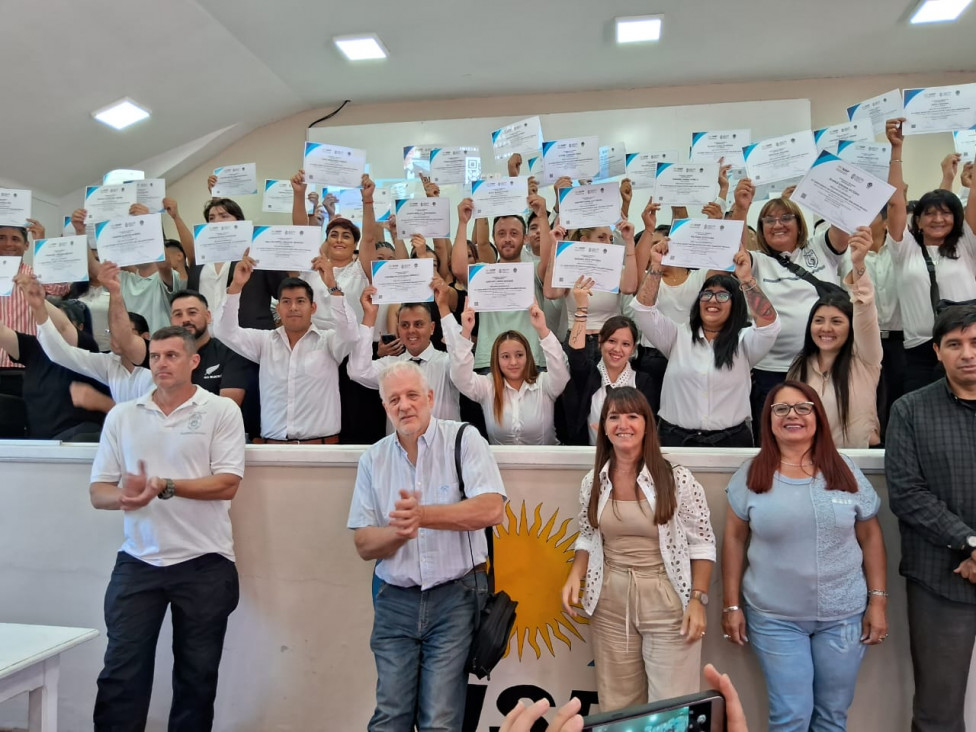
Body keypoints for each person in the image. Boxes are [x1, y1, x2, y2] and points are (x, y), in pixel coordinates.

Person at [88, 325, 245, 731]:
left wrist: (165, 486)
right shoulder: (124, 415)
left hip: (205, 563)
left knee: (196, 678)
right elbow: (98, 492)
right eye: (155, 356)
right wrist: (126, 496)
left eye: (171, 355)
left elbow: (228, 482)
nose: (161, 363)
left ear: (194, 361)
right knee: (121, 673)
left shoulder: (221, 411)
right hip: (138, 561)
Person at [347, 361, 506, 731]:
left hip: (455, 598)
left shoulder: (465, 439)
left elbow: (492, 509)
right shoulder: (373, 458)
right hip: (394, 601)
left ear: (431, 398)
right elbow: (363, 542)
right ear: (385, 407)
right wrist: (398, 532)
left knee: (440, 720)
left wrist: (422, 516)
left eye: (412, 395)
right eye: (394, 399)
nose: (404, 406)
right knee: (389, 717)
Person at [722, 381, 887, 731]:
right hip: (775, 619)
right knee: (791, 716)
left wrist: (878, 602)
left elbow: (870, 535)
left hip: (843, 617)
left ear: (817, 416)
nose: (791, 415)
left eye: (802, 407)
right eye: (780, 409)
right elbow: (734, 540)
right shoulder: (751, 474)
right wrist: (732, 605)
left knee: (831, 716)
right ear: (768, 420)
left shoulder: (845, 470)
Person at [561, 387, 716, 711]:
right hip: (609, 600)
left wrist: (698, 599)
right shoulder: (594, 480)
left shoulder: (677, 479)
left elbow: (702, 543)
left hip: (667, 600)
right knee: (618, 706)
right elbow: (589, 535)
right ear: (602, 426)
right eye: (614, 416)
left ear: (647, 424)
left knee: (670, 709)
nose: (623, 424)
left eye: (633, 416)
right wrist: (576, 573)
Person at [886, 305, 976, 731]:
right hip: (941, 578)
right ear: (937, 352)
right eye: (955, 344)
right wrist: (970, 543)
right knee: (937, 713)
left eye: (975, 343)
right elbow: (907, 494)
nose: (967, 353)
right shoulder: (910, 411)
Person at [631, 238, 779, 447]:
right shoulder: (677, 336)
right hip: (676, 440)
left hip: (731, 441)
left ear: (735, 303)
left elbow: (769, 325)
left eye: (722, 295)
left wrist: (746, 279)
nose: (712, 300)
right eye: (707, 294)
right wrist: (656, 266)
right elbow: (643, 310)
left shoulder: (744, 341)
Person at [728, 180, 851, 424]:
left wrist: (825, 185)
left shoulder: (819, 247)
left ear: (799, 222)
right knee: (775, 437)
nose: (778, 225)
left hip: (821, 366)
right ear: (761, 229)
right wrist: (741, 209)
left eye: (786, 217)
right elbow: (731, 249)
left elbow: (842, 225)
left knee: (819, 434)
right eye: (769, 220)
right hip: (771, 370)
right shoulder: (759, 261)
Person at [215, 250, 357, 443]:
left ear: (312, 307)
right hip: (274, 449)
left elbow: (349, 333)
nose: (293, 308)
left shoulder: (329, 341)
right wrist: (236, 285)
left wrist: (332, 286)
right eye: (286, 302)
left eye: (300, 301)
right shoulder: (264, 342)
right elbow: (224, 331)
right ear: (279, 308)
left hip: (321, 449)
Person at [884, 117, 976, 393]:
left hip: (968, 348)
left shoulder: (966, 243)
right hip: (921, 354)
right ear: (918, 220)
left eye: (946, 212)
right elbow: (894, 201)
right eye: (930, 213)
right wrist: (896, 150)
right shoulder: (905, 247)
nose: (938, 219)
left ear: (955, 218)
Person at [787, 227, 883, 448]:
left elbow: (865, 308)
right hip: (809, 461)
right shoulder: (800, 364)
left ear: (851, 327)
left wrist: (858, 264)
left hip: (856, 463)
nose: (826, 328)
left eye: (837, 321)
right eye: (819, 320)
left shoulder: (865, 358)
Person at [0, 274, 109, 440]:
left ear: (80, 326)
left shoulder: (86, 347)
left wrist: (38, 302)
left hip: (77, 437)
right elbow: (2, 333)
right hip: (40, 443)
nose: (49, 325)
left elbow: (64, 327)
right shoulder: (32, 348)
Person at [447, 300, 570, 444]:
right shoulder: (487, 386)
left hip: (545, 463)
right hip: (500, 464)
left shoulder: (544, 383)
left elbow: (560, 371)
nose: (513, 362)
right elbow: (459, 377)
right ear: (496, 359)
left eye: (519, 355)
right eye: (505, 356)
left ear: (528, 356)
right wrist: (466, 331)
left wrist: (542, 329)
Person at [347, 280, 461, 429]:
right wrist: (370, 314)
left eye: (418, 324)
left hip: (442, 449)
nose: (411, 330)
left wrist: (443, 306)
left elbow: (461, 356)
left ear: (432, 328)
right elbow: (357, 371)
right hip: (399, 450)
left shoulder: (447, 363)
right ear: (398, 328)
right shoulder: (390, 365)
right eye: (405, 325)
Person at [562, 280, 657, 445]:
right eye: (611, 341)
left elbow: (649, 429)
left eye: (625, 344)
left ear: (633, 348)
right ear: (600, 342)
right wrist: (581, 308)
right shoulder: (587, 375)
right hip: (589, 460)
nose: (617, 349)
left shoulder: (644, 382)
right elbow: (576, 354)